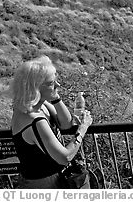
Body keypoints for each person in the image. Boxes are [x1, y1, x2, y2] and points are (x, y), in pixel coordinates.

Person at [10, 55, 93, 188]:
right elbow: (64, 157)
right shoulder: (34, 120)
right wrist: (83, 128)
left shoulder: (38, 105)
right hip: (44, 183)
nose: (58, 85)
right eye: (51, 83)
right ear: (34, 87)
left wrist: (55, 96)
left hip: (45, 178)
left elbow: (66, 123)